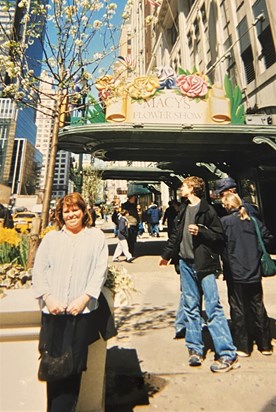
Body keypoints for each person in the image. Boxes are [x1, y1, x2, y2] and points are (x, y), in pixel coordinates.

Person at [32, 193, 116, 412]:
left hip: (81, 312)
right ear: (61, 214)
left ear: (83, 211)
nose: (71, 214)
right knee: (53, 368)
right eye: (66, 211)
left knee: (73, 369)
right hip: (53, 314)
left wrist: (84, 298)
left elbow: (100, 271)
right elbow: (39, 270)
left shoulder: (95, 237)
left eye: (75, 209)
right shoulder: (52, 238)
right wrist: (49, 298)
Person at [160, 176, 239, 373]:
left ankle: (227, 353)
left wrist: (202, 231)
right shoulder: (183, 209)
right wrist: (167, 255)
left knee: (213, 308)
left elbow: (220, 237)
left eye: (184, 186)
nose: (181, 188)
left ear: (193, 189)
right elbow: (176, 236)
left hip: (204, 264)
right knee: (190, 307)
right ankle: (195, 349)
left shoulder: (208, 210)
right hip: (186, 264)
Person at [220, 192, 273, 357]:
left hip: (235, 271)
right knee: (258, 306)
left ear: (227, 206)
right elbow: (268, 238)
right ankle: (265, 344)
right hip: (254, 270)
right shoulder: (253, 221)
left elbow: (220, 244)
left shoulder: (225, 222)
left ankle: (244, 345)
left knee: (238, 308)